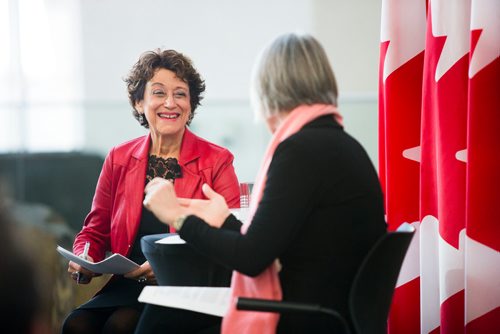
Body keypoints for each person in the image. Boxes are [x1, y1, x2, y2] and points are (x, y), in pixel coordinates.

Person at [141, 33, 387, 334]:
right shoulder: (336, 143)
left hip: (304, 317)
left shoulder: (301, 151)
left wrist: (178, 217)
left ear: (268, 91)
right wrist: (224, 220)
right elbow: (266, 244)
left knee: (162, 323)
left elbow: (252, 258)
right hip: (324, 313)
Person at [61, 49, 240, 334]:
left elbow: (231, 239)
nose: (170, 103)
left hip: (183, 287)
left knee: (121, 325)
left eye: (180, 94)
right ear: (138, 102)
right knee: (76, 325)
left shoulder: (217, 160)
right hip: (127, 283)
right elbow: (94, 229)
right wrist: (85, 257)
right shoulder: (119, 157)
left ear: (191, 105)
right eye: (158, 93)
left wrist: (174, 266)